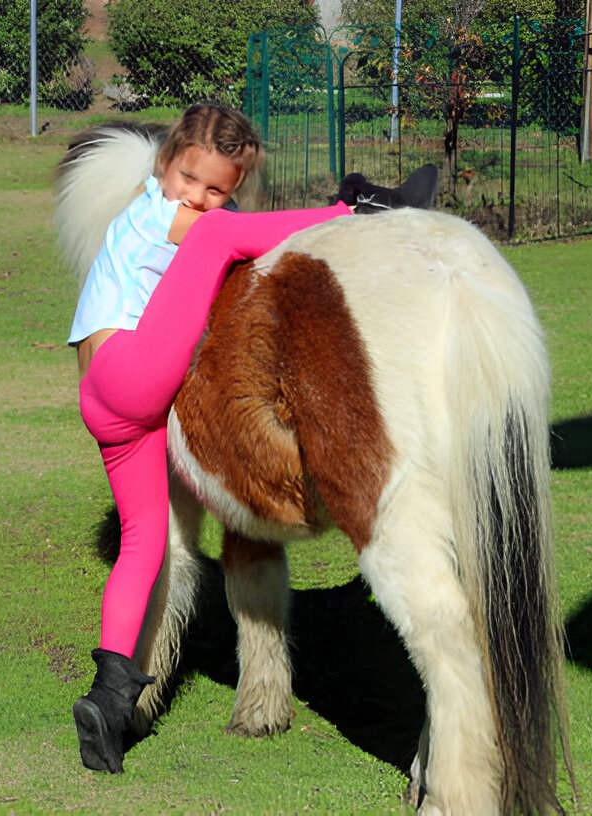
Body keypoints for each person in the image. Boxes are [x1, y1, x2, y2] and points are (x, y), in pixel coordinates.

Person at [68, 102, 439, 775]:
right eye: (190, 180)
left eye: (217, 190)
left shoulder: (143, 214)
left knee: (144, 545)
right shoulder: (167, 214)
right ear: (163, 164)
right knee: (221, 244)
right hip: (129, 375)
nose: (200, 198)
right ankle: (367, 211)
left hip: (104, 404)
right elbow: (232, 240)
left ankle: (110, 699)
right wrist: (332, 215)